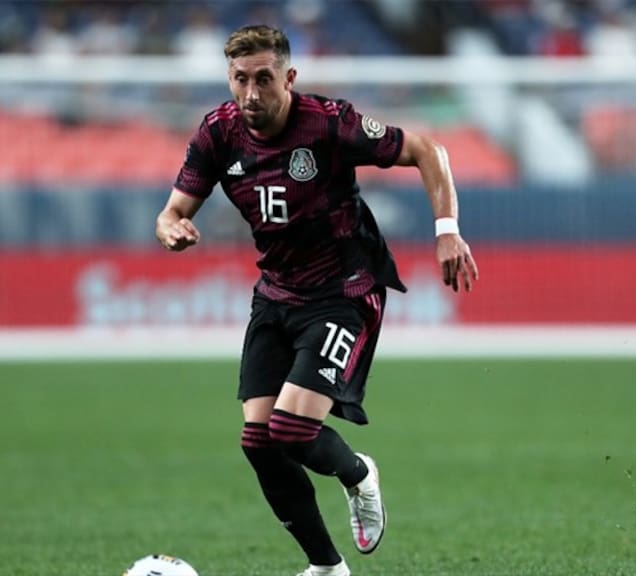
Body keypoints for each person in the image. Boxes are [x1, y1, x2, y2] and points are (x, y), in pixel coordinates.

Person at [155, 24, 479, 576]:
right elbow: (173, 210)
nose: (251, 93)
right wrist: (170, 228)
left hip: (343, 292)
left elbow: (429, 149)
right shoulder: (217, 133)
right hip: (276, 294)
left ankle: (358, 474)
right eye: (240, 79)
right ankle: (327, 568)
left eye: (264, 79)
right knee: (257, 441)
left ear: (289, 76)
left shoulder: (329, 124)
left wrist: (447, 229)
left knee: (290, 430)